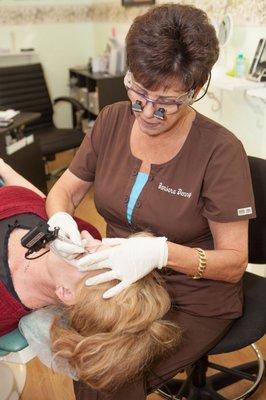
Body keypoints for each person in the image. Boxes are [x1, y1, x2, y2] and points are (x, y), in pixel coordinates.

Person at [46, 4, 256, 399]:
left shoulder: (220, 152)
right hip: (121, 287)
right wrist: (60, 218)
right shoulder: (111, 120)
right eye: (138, 92)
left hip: (194, 296)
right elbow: (66, 189)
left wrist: (160, 252)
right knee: (83, 361)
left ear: (196, 90)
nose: (147, 111)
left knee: (111, 380)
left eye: (167, 101)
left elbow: (233, 264)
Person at [0, 159, 180, 390]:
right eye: (107, 249)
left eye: (91, 259)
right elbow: (33, 201)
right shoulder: (73, 235)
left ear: (65, 293)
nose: (87, 235)